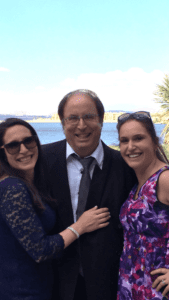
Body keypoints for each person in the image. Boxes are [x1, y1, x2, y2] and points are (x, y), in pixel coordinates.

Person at [0, 117, 111, 300]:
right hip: (22, 292)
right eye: (13, 146)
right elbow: (40, 250)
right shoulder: (13, 188)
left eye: (29, 141)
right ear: (3, 153)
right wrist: (80, 226)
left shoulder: (31, 183)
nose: (24, 150)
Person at [41, 89, 137, 300]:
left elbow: (155, 214)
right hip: (53, 283)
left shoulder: (126, 165)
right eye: (73, 118)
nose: (81, 125)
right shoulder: (41, 160)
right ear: (62, 123)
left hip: (111, 284)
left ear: (101, 121)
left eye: (89, 117)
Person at [116, 111, 169, 299]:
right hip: (132, 285)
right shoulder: (138, 184)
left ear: (155, 142)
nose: (131, 147)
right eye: (124, 140)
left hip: (157, 290)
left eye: (138, 138)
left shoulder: (164, 179)